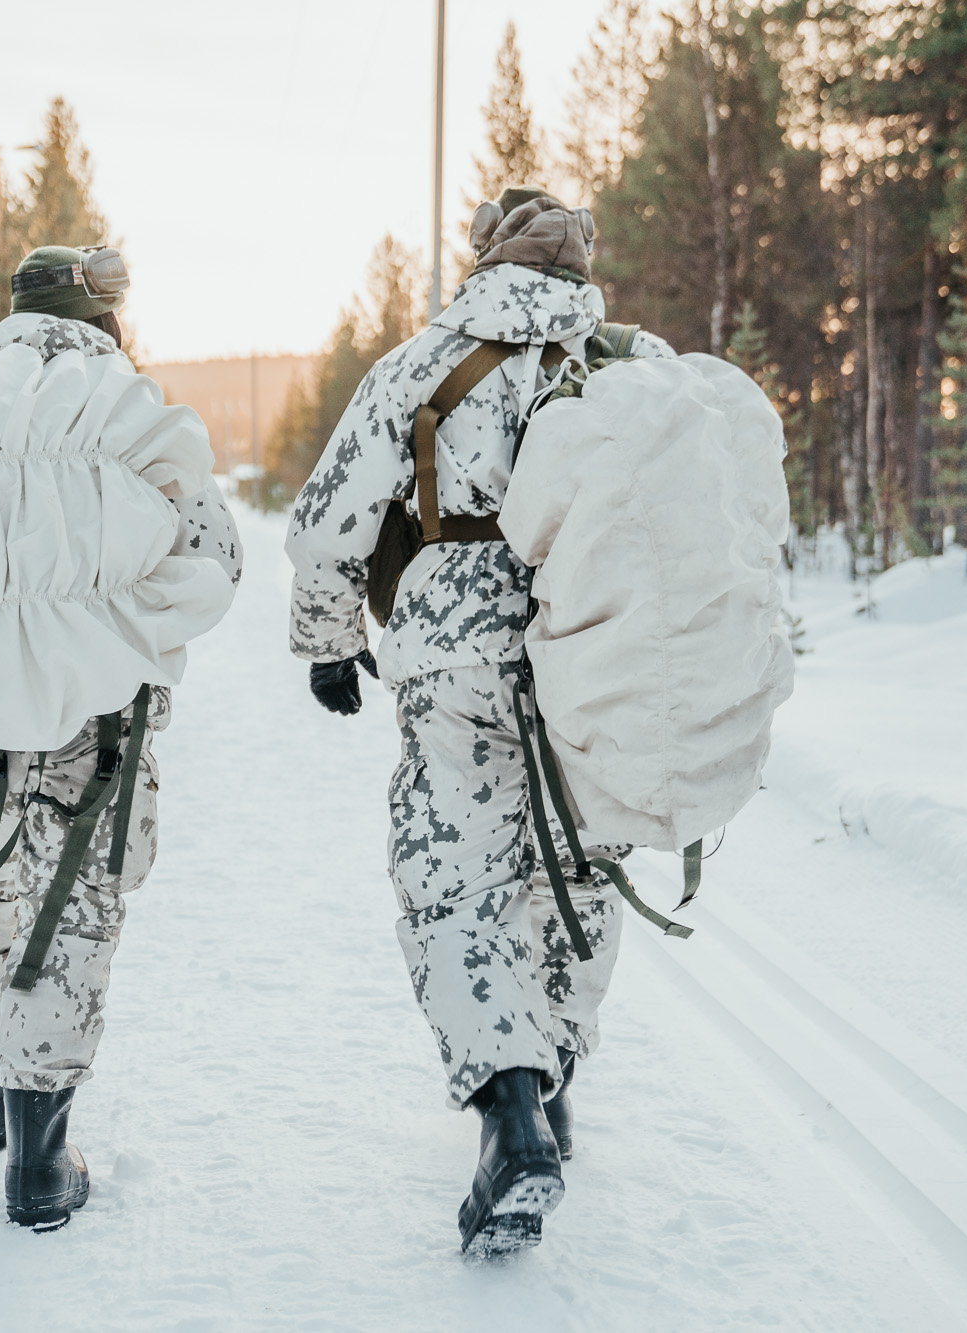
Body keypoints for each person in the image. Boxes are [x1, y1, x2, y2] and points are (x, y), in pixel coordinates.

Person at [284, 187, 675, 1257]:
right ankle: (549, 1092)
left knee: (449, 882)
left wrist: (326, 640)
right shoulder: (628, 365)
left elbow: (329, 517)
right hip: (590, 648)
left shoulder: (422, 363)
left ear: (484, 258)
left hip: (454, 645)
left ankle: (508, 1114)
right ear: (579, 263)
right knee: (574, 873)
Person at [0, 244, 242, 1231]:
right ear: (105, 320)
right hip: (95, 716)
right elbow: (215, 562)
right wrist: (125, 629)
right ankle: (37, 1156)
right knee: (68, 920)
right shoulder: (134, 409)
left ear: (11, 314)